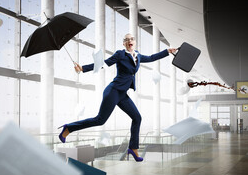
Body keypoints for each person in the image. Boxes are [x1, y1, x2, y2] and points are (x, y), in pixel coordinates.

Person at [59, 33, 176, 162]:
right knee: (100, 120)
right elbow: (105, 63)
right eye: (126, 40)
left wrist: (167, 51)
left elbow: (152, 58)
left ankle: (133, 148)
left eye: (131, 39)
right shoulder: (120, 54)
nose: (129, 41)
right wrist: (83, 68)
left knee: (137, 117)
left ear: (135, 42)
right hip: (113, 91)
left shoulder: (138, 55)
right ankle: (69, 128)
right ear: (123, 43)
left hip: (122, 94)